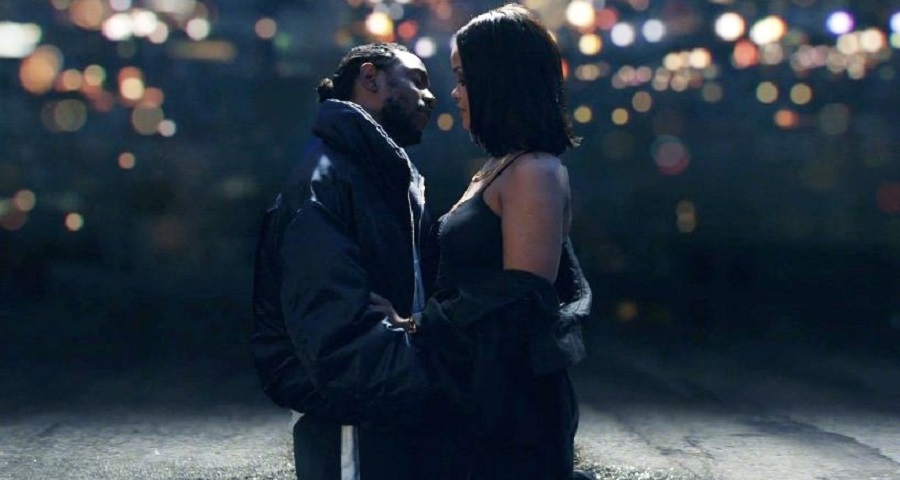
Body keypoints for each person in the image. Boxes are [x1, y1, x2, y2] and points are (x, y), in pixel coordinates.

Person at [370, 4, 593, 480]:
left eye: (463, 79)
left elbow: (520, 298)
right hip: (476, 389)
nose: (454, 93)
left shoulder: (534, 171)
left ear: (500, 81)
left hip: (511, 409)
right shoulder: (502, 167)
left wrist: (416, 324)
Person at [250, 43, 463, 479]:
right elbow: (336, 336)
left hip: (382, 411)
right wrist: (438, 383)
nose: (431, 96)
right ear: (370, 78)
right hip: (353, 421)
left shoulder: (379, 174)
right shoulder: (327, 177)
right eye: (416, 80)